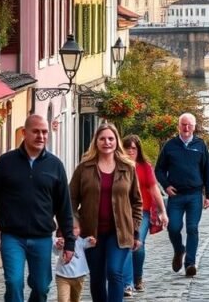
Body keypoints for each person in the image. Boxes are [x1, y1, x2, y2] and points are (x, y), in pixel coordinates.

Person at [0, 114, 76, 302]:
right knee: (14, 283)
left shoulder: (55, 165)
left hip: (42, 237)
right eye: (36, 131)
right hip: (12, 236)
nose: (41, 136)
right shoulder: (6, 163)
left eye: (44, 132)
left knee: (41, 287)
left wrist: (69, 241)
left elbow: (64, 207)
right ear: (24, 133)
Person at [69, 123, 143, 302]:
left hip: (120, 233)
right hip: (92, 233)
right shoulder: (84, 168)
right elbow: (70, 199)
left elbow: (137, 201)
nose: (107, 142)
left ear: (116, 141)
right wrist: (75, 222)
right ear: (96, 142)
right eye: (102, 139)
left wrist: (135, 230)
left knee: (114, 272)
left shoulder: (128, 168)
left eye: (111, 138)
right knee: (97, 277)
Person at [155, 112, 209, 277]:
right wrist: (166, 186)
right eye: (183, 124)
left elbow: (208, 171)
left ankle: (190, 263)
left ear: (194, 127)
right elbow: (159, 169)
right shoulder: (170, 145)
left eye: (189, 125)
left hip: (195, 194)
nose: (186, 128)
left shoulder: (200, 145)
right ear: (178, 126)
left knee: (192, 228)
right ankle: (179, 249)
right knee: (173, 227)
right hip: (176, 195)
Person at [121, 135, 168, 294]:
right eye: (127, 148)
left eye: (133, 148)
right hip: (122, 211)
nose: (130, 151)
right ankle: (127, 284)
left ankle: (137, 277)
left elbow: (154, 189)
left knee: (138, 244)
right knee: (127, 245)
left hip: (143, 212)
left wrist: (163, 211)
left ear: (138, 150)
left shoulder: (144, 167)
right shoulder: (117, 165)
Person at [54, 221, 95, 302]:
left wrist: (92, 241)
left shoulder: (81, 241)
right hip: (62, 277)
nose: (72, 231)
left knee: (75, 299)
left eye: (75, 228)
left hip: (79, 277)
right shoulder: (61, 241)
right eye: (69, 228)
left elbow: (89, 242)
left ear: (80, 230)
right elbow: (55, 250)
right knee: (63, 300)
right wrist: (59, 246)